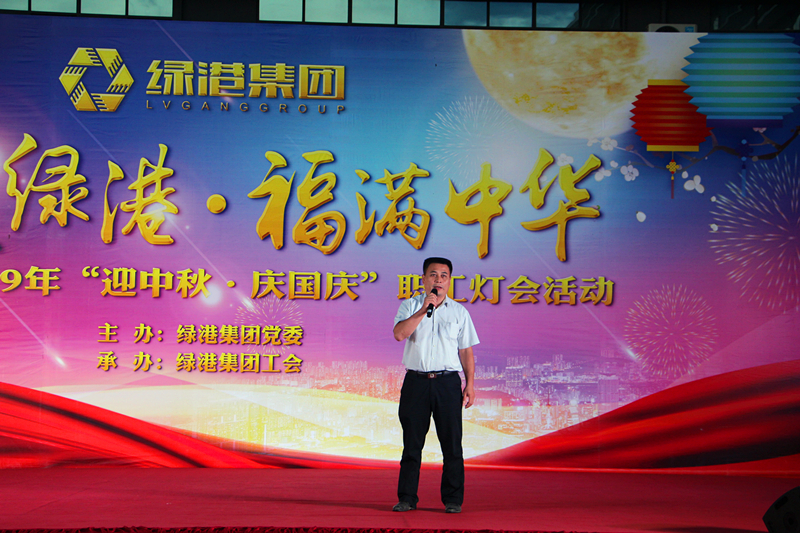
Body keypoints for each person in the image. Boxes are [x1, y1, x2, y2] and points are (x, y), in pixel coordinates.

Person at [391, 257, 479, 514]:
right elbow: (399, 334)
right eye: (433, 275)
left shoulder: (459, 312)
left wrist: (470, 384)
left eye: (443, 275)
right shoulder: (410, 306)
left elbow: (466, 351)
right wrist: (423, 310)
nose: (438, 280)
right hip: (416, 382)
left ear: (449, 281)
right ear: (424, 279)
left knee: (452, 444)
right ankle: (407, 498)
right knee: (412, 444)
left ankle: (453, 499)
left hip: (447, 383)